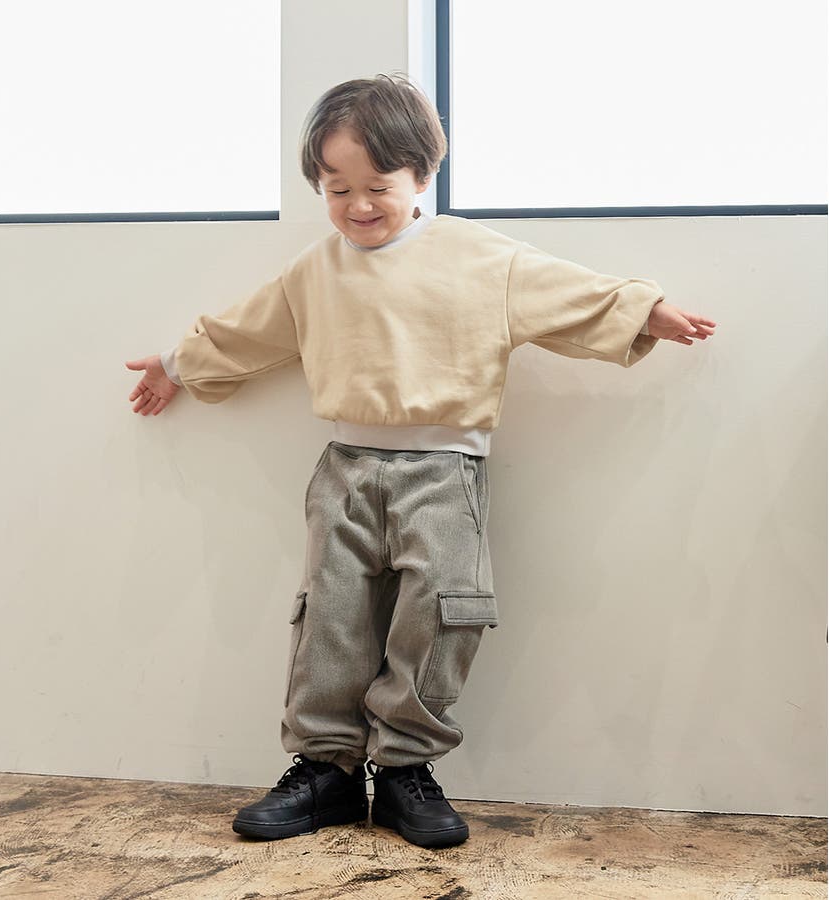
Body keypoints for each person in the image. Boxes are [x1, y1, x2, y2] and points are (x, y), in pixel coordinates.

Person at [125, 73, 716, 848]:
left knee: (441, 614)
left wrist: (642, 310)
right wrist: (177, 363)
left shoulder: (476, 256)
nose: (358, 206)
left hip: (444, 472)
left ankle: (406, 769)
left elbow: (563, 291)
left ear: (421, 175)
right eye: (337, 189)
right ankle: (327, 770)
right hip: (344, 469)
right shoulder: (316, 270)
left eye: (378, 187)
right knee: (331, 615)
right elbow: (251, 329)